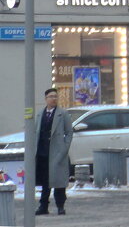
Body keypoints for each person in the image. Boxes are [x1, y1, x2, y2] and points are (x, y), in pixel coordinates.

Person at [33, 87, 73, 216]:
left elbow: (69, 132)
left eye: (55, 96)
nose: (54, 99)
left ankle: (60, 206)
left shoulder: (63, 114)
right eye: (51, 96)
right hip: (43, 152)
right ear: (46, 99)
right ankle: (43, 206)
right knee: (45, 181)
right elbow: (35, 131)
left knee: (59, 181)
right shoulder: (40, 114)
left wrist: (64, 148)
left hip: (57, 153)